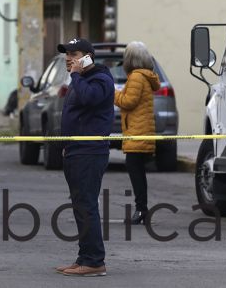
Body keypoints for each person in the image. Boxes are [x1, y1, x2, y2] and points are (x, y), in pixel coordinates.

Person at [54, 38, 114, 277]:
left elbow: (90, 98)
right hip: (76, 150)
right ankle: (84, 257)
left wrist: (77, 76)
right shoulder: (81, 80)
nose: (69, 58)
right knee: (80, 206)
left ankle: (94, 261)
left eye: (74, 53)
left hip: (90, 151)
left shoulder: (100, 79)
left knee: (87, 206)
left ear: (88, 56)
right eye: (66, 54)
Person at [114, 41, 160, 225]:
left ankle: (141, 209)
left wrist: (113, 93)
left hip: (137, 132)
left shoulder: (136, 77)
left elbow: (128, 102)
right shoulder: (145, 77)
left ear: (130, 59)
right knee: (138, 172)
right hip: (142, 130)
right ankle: (142, 209)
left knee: (136, 172)